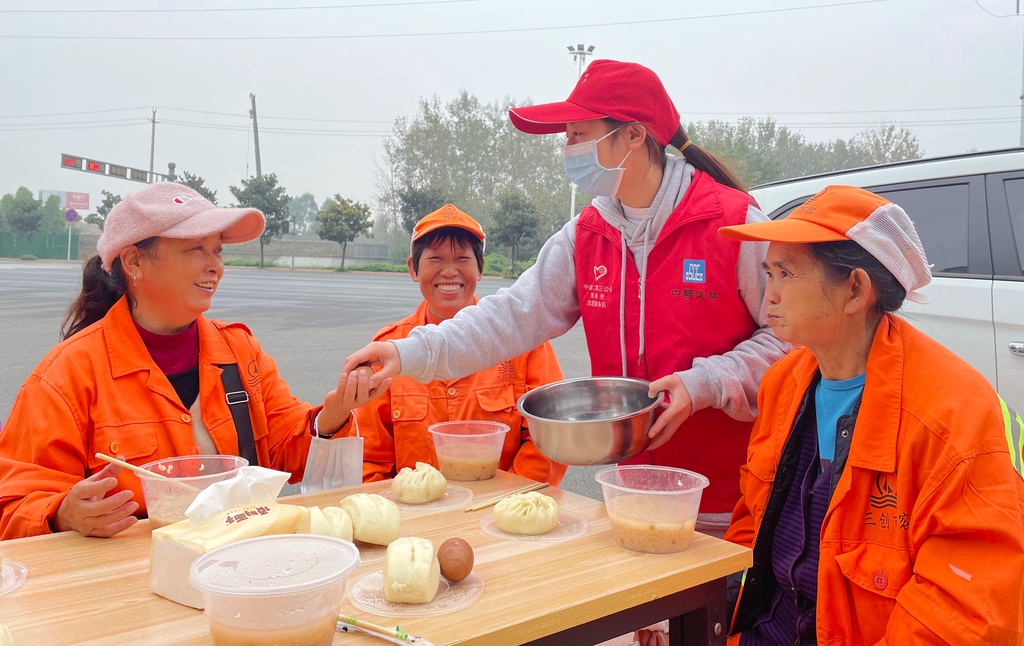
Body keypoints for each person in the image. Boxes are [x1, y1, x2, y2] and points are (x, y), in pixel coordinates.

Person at [344, 60, 789, 535]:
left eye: (578, 133)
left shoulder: (735, 223)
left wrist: (705, 383)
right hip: (630, 495)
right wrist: (407, 350)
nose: (567, 148)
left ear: (634, 135)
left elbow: (792, 343)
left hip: (733, 499)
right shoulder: (586, 235)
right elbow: (511, 316)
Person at [713, 185, 1024, 644]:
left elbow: (965, 612)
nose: (768, 297)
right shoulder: (784, 382)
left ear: (855, 289)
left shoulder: (954, 416)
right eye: (767, 272)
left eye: (784, 274)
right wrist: (704, 612)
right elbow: (751, 525)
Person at [0, 182, 384, 540]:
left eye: (217, 249)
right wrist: (62, 513)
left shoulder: (240, 351)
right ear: (134, 262)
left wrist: (329, 419)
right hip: (132, 589)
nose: (215, 265)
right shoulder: (68, 373)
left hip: (241, 566)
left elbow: (285, 454)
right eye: (195, 249)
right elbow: (13, 503)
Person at [333, 204, 567, 485]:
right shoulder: (389, 349)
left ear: (480, 268)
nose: (449, 271)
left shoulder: (522, 342)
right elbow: (369, 456)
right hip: (416, 519)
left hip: (499, 515)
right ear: (413, 268)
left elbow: (551, 439)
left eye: (461, 258)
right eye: (435, 258)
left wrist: (505, 501)